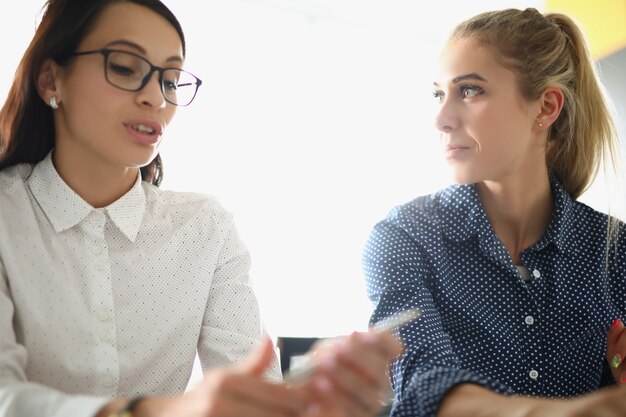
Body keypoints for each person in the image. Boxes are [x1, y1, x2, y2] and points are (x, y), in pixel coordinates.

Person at [0, 1, 403, 417]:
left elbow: (254, 390)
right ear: (52, 80)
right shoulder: (7, 215)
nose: (156, 97)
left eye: (171, 80)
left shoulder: (205, 227)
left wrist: (310, 399)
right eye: (124, 67)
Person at [363, 7, 626, 417]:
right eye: (439, 94)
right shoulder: (403, 237)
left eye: (469, 91)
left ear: (545, 108)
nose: (441, 118)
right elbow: (422, 382)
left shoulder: (615, 248)